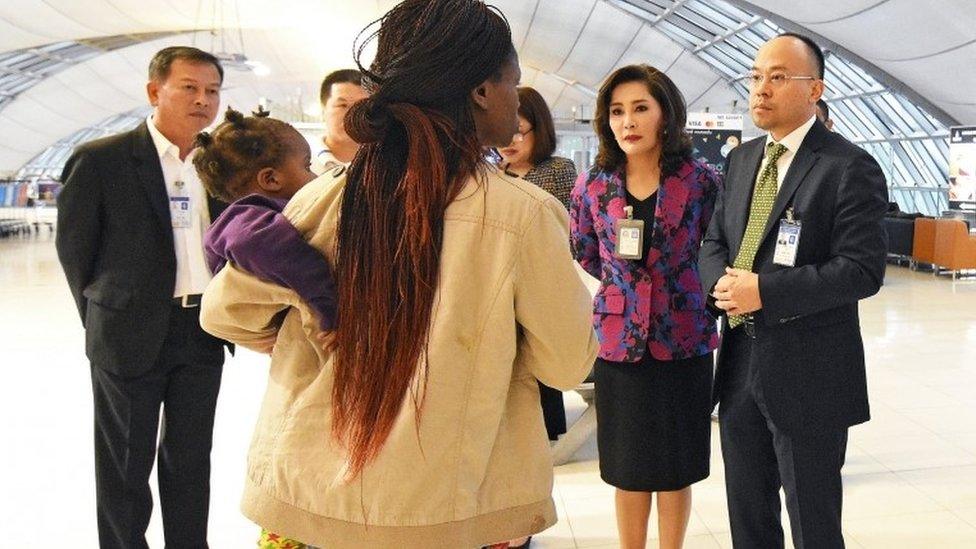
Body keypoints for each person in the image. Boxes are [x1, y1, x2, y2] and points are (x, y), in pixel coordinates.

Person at [199, 1, 599, 547]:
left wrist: (318, 325)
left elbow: (225, 315)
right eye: (513, 81)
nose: (516, 96)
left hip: (314, 498)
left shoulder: (323, 198)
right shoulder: (520, 216)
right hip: (448, 504)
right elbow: (565, 361)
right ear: (481, 90)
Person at [699, 33, 887, 549]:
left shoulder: (848, 167)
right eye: (756, 77)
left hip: (811, 374)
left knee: (813, 524)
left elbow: (862, 271)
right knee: (749, 518)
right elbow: (714, 239)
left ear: (815, 89)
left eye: (778, 77)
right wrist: (721, 282)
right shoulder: (741, 161)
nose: (761, 89)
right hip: (738, 368)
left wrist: (766, 291)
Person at [55, 46, 230, 548]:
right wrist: (104, 319)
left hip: (202, 329)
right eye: (190, 87)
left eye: (212, 90)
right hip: (128, 331)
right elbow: (76, 254)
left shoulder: (220, 161)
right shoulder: (101, 159)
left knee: (191, 459)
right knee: (125, 464)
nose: (203, 100)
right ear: (156, 91)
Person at [570, 64, 722, 549]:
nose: (627, 121)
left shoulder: (702, 182)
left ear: (665, 115)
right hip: (620, 343)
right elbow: (585, 250)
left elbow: (718, 248)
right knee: (628, 468)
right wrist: (627, 294)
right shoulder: (593, 184)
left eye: (640, 108)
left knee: (677, 467)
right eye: (617, 111)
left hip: (684, 338)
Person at [193, 106, 336, 339]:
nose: (315, 176)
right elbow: (292, 260)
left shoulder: (250, 218)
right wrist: (332, 310)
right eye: (307, 165)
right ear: (271, 179)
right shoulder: (247, 222)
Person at [312, 69, 367, 174]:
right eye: (343, 105)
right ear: (323, 111)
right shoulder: (305, 164)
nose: (352, 114)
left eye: (362, 106)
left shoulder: (385, 165)